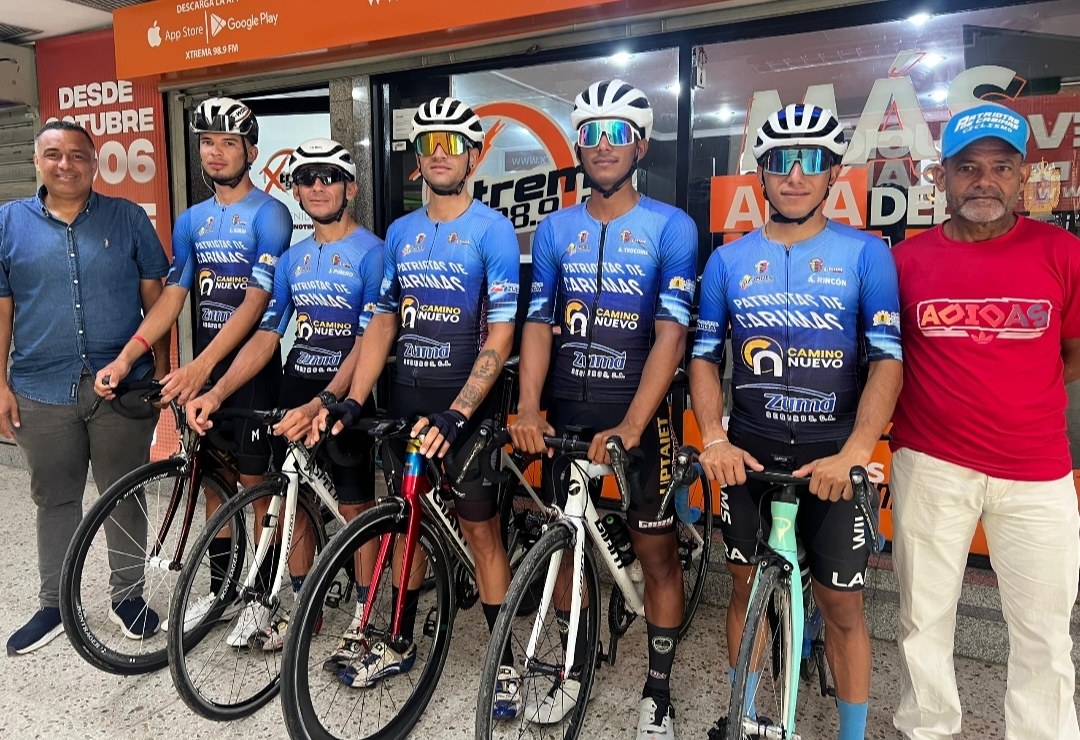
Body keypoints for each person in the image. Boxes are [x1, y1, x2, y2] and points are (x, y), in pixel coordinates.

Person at [689, 103, 903, 740]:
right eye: (781, 161)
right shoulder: (728, 261)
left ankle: (851, 735)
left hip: (833, 452)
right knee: (743, 588)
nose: (796, 175)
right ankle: (745, 717)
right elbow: (704, 359)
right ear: (761, 175)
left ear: (834, 173)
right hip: (749, 452)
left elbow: (887, 361)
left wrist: (858, 450)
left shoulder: (866, 254)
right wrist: (714, 437)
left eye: (813, 161)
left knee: (842, 606)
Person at [312, 97, 520, 697]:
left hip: (466, 407)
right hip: (405, 398)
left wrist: (459, 411)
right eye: (429, 143)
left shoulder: (493, 230)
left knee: (480, 531)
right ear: (417, 157)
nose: (439, 154)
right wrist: (356, 399)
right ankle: (399, 640)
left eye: (453, 144)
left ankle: (505, 661)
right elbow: (382, 320)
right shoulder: (400, 233)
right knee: (407, 522)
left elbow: (502, 332)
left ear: (474, 157)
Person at [510, 79, 698, 740]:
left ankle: (658, 692)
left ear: (640, 145)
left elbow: (672, 334)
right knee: (564, 543)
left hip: (641, 413)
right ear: (579, 147)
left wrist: (633, 424)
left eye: (619, 134)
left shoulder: (671, 226)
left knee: (656, 550)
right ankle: (569, 670)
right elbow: (538, 322)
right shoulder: (555, 228)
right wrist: (528, 406)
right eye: (592, 133)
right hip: (567, 405)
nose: (604, 145)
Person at [889, 103, 1080, 740]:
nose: (984, 181)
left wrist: (1019, 397)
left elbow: (1073, 351)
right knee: (923, 622)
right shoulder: (906, 261)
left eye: (1000, 167)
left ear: (1023, 176)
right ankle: (928, 730)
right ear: (942, 176)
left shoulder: (1063, 252)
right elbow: (888, 360)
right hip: (930, 465)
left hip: (1038, 474)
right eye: (968, 167)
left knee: (1045, 633)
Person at [96, 97, 292, 642]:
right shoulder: (191, 221)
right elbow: (173, 295)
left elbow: (256, 299)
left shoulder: (271, 214)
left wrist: (199, 367)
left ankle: (264, 597)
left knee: (257, 487)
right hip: (205, 374)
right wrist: (129, 355)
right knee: (213, 483)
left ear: (251, 151)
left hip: (252, 374)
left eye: (229, 142)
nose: (216, 152)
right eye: (207, 142)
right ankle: (223, 589)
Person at [185, 137, 383, 660]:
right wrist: (217, 390)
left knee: (354, 505)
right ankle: (304, 611)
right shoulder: (292, 259)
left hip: (347, 394)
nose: (317, 187)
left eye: (329, 177)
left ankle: (363, 618)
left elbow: (367, 340)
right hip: (294, 387)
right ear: (295, 191)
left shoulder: (373, 252)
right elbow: (268, 334)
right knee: (291, 498)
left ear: (350, 188)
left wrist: (327, 401)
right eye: (306, 179)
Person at [0, 121, 171, 654]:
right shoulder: (8, 222)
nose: (66, 164)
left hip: (123, 389)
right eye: (54, 154)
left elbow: (155, 297)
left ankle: (128, 597)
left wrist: (161, 370)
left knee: (124, 493)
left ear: (95, 163)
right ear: (37, 161)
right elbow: (2, 307)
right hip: (39, 388)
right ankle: (55, 603)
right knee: (54, 496)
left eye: (77, 155)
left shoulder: (128, 218)